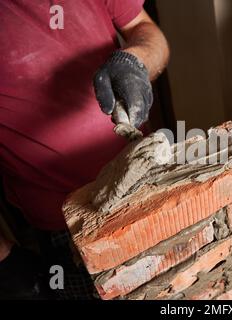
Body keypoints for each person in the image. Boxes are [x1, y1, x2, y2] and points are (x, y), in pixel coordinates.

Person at [0, 0, 169, 299]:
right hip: (64, 231)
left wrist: (135, 61)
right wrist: (5, 261)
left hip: (147, 186)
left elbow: (146, 31)